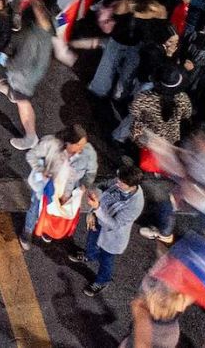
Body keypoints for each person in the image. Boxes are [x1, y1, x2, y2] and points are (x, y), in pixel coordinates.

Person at [72, 165, 144, 296]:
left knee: (106, 259)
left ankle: (103, 281)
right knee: (91, 243)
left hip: (112, 235)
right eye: (118, 179)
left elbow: (115, 224)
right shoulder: (120, 181)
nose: (117, 183)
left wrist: (97, 208)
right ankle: (89, 256)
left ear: (132, 186)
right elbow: (102, 187)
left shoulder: (135, 204)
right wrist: (92, 211)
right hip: (98, 220)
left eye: (121, 183)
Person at [22, 126, 97, 249]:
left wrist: (84, 185)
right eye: (79, 145)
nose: (82, 148)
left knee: (55, 214)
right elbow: (32, 156)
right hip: (44, 188)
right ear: (68, 142)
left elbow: (91, 172)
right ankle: (27, 231)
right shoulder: (50, 143)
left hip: (66, 194)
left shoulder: (88, 153)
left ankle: (47, 230)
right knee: (35, 208)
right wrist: (42, 170)